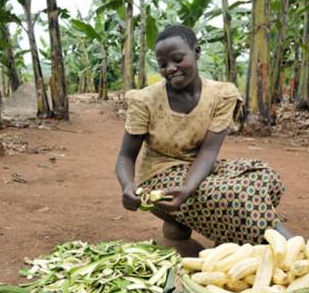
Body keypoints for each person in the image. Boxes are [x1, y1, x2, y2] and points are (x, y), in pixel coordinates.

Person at [115, 24, 291, 248]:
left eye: (178, 59)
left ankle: (221, 232)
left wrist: (188, 189)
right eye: (163, 65)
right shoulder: (145, 100)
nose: (171, 68)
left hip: (199, 170)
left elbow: (208, 152)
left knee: (266, 177)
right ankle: (288, 246)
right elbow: (126, 157)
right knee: (241, 195)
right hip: (160, 177)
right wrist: (127, 186)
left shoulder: (221, 95)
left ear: (196, 53)